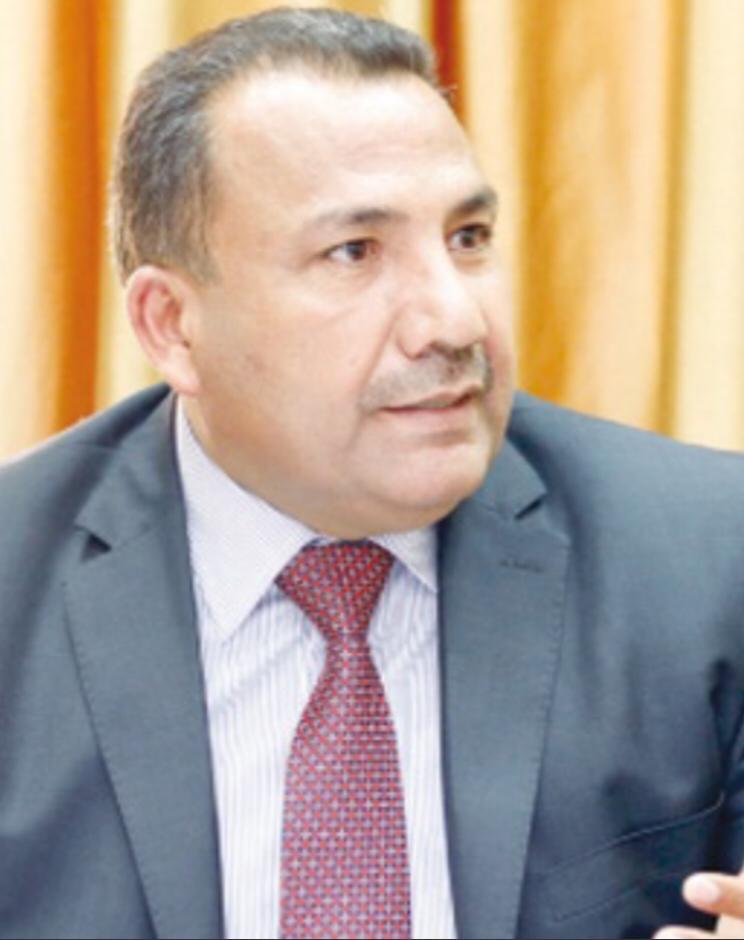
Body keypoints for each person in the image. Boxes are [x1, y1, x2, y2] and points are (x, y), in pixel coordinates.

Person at [2, 6, 744, 940]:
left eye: (468, 237)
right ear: (172, 325)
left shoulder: (712, 560)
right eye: (353, 253)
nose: (455, 321)